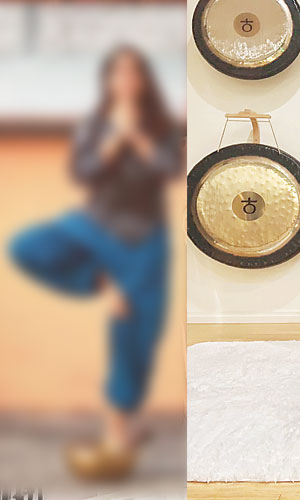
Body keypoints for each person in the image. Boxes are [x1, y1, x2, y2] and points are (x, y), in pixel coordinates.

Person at [9, 45, 183, 479]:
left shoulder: (160, 127)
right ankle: (102, 282)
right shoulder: (94, 125)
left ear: (143, 81)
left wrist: (136, 136)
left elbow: (168, 169)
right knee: (28, 247)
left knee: (134, 336)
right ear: (109, 81)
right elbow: (84, 173)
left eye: (133, 74)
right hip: (95, 224)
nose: (126, 81)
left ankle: (120, 433)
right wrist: (113, 139)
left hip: (143, 238)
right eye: (118, 74)